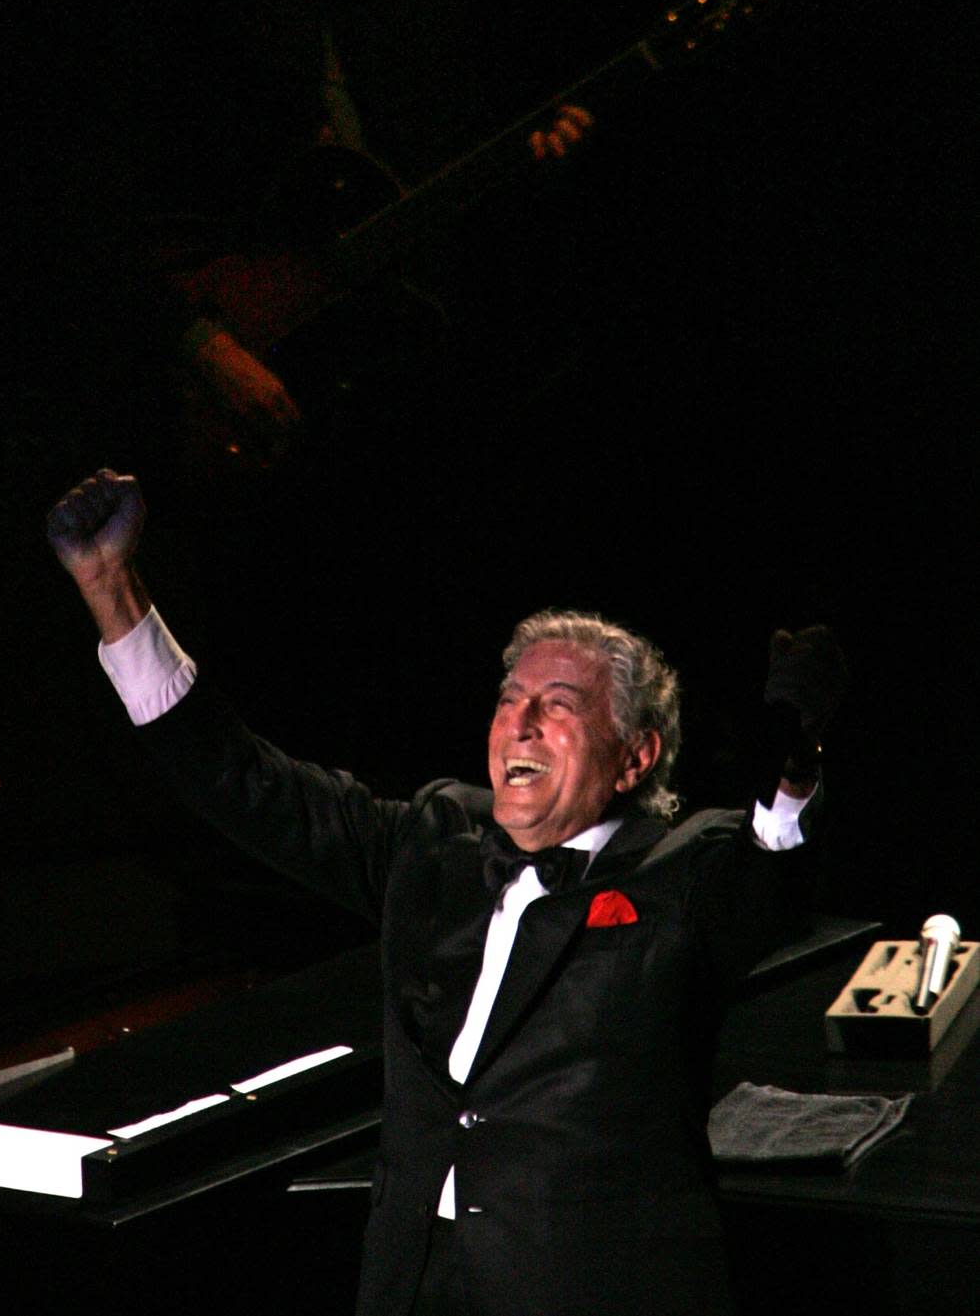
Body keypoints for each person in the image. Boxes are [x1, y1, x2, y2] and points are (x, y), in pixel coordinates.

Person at [46, 468, 842, 1316]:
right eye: (510, 700)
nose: (521, 722)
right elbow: (248, 784)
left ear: (637, 757)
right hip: (414, 1286)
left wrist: (793, 759)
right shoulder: (434, 841)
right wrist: (111, 588)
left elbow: (771, 861)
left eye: (558, 704)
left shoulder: (685, 871)